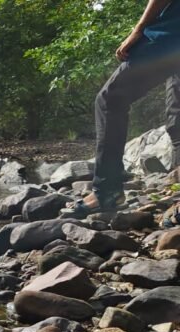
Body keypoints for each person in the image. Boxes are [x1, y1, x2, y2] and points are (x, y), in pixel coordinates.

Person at [75, 0, 180, 214]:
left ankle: (107, 192)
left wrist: (139, 29)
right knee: (177, 120)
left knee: (111, 99)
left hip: (173, 32)